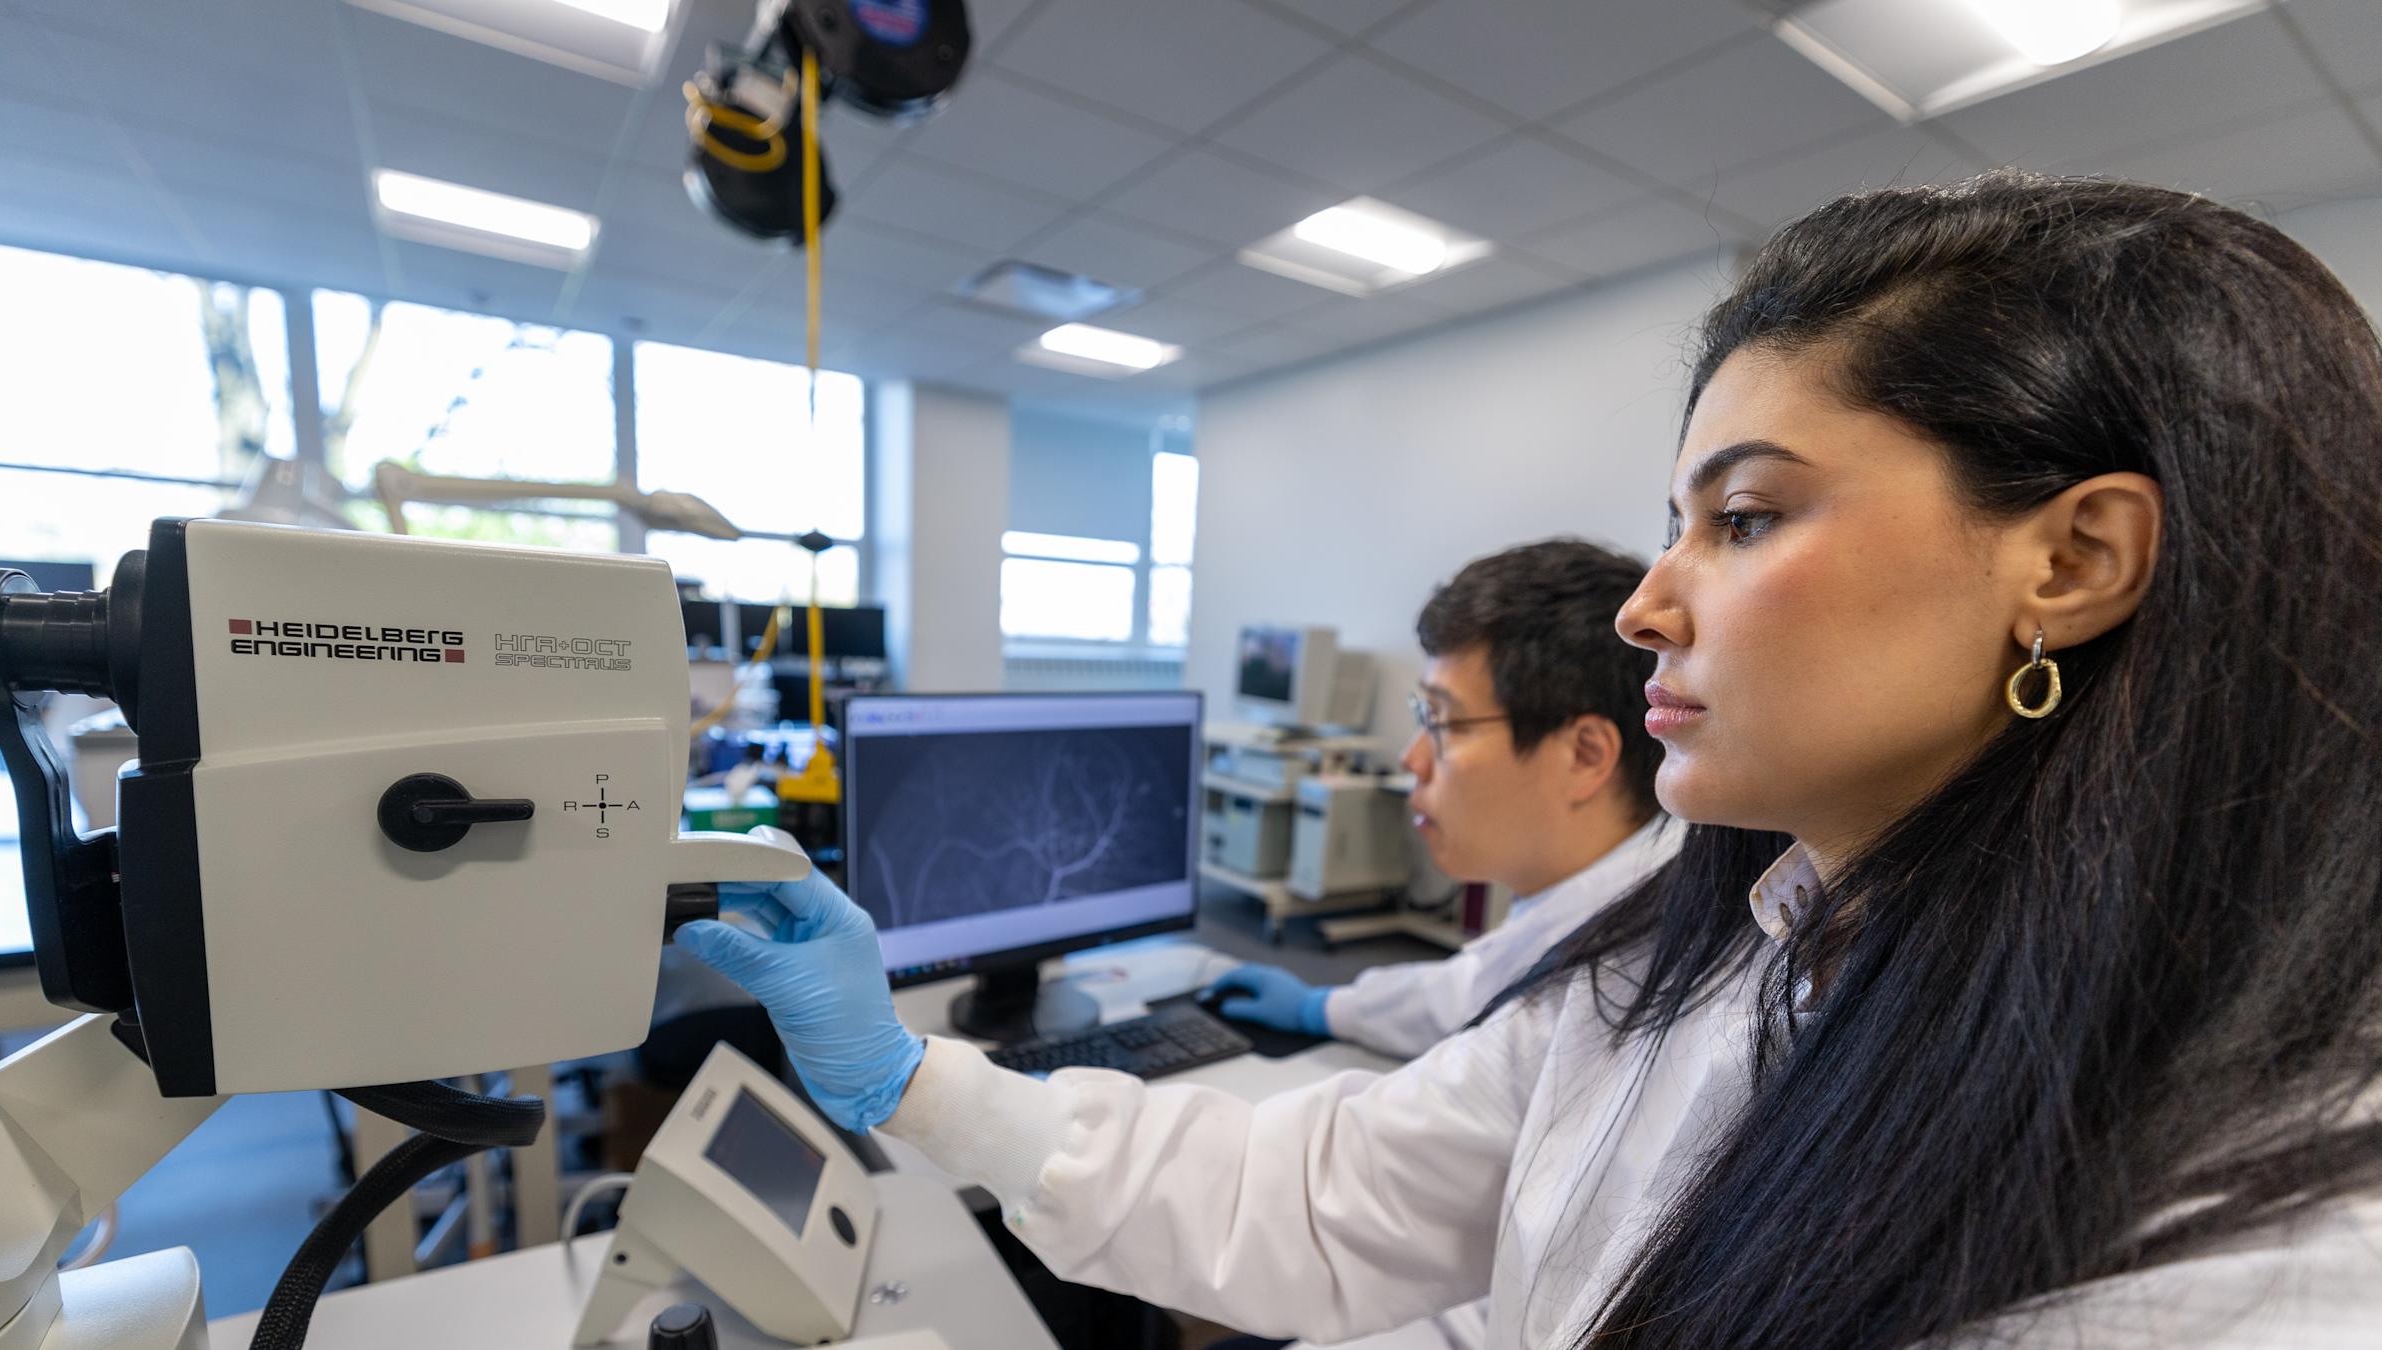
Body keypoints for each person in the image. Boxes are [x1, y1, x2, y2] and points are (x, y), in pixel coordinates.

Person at [679, 173, 2382, 1348]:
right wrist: (908, 1080)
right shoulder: (1719, 948)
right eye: (1674, 524)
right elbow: (1341, 1190)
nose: (1647, 604)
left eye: (1746, 515)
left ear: (2072, 560)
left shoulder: (2261, 1244)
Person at [1201, 538, 1678, 1062]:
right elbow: (1463, 992)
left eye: (1442, 721)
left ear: (1584, 756)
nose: (1412, 759)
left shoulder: (1596, 997)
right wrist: (1322, 1006)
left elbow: (1346, 1133)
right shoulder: (1617, 903)